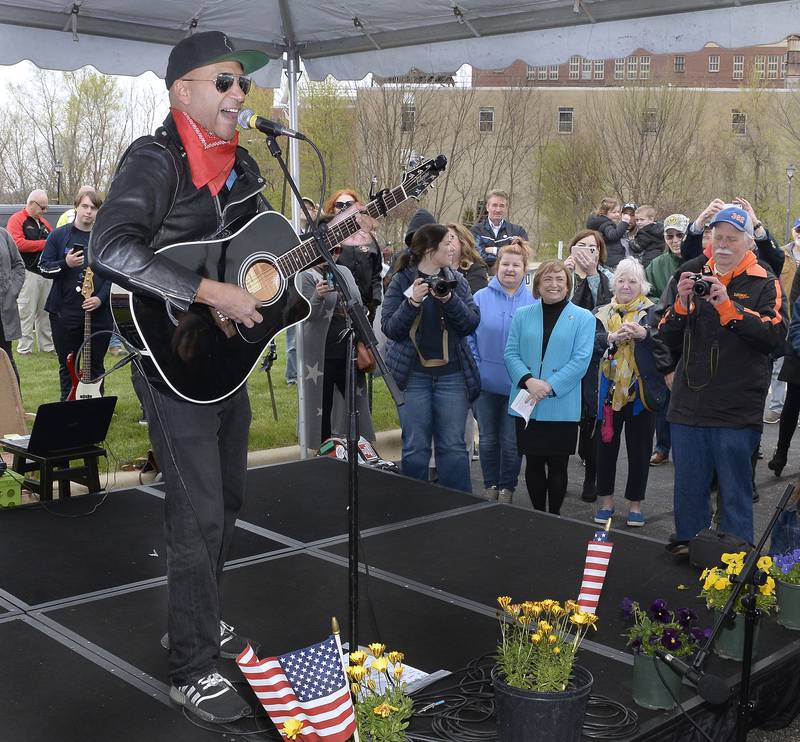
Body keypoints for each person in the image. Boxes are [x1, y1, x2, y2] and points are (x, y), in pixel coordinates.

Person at [90, 31, 271, 723]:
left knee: (226, 503)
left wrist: (302, 263)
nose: (237, 94)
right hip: (167, 359)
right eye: (223, 82)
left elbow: (255, 261)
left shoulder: (247, 167)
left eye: (243, 86)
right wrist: (209, 293)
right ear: (181, 91)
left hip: (223, 358)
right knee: (195, 515)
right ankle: (190, 666)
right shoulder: (156, 156)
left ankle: (198, 614)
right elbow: (110, 246)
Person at [658, 204, 786, 553]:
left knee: (735, 492)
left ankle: (735, 564)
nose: (725, 245)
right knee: (688, 487)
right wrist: (682, 305)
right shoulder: (693, 273)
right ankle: (689, 547)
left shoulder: (765, 280)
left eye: (732, 238)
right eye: (718, 238)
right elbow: (664, 335)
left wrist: (730, 308)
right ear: (709, 240)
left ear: (748, 243)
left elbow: (776, 338)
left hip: (735, 409)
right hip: (689, 406)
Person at [382, 223, 480, 493]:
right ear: (429, 249)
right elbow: (390, 328)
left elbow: (471, 323)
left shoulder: (457, 280)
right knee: (415, 446)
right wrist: (412, 301)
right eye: (448, 242)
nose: (454, 248)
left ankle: (459, 506)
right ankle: (413, 506)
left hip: (452, 375)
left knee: (453, 446)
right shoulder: (401, 280)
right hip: (413, 376)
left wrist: (449, 299)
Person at [504, 260, 595, 515]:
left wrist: (550, 386)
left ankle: (553, 515)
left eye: (559, 280)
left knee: (558, 465)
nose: (553, 285)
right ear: (538, 285)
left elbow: (581, 360)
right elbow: (511, 353)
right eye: (547, 279)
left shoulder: (583, 318)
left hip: (561, 404)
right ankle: (537, 514)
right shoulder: (523, 315)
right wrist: (528, 381)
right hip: (527, 401)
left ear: (568, 285)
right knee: (532, 463)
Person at [593, 258, 669, 527]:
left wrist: (644, 335)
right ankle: (606, 502)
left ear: (642, 286)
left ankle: (635, 505)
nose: (626, 286)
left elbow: (665, 348)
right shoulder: (601, 312)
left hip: (640, 396)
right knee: (605, 450)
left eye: (632, 281)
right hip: (608, 395)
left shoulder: (653, 313)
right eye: (621, 280)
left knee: (640, 452)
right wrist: (610, 339)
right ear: (614, 284)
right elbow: (590, 344)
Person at [469, 241, 535, 503]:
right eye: (505, 264)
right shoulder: (480, 298)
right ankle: (490, 486)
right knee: (487, 439)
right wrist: (476, 365)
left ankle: (507, 488)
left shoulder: (533, 302)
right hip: (485, 383)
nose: (510, 269)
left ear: (524, 269)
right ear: (497, 268)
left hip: (519, 386)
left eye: (515, 265)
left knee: (511, 442)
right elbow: (469, 337)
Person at [297, 238, 375, 449]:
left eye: (338, 249)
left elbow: (357, 304)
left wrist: (365, 339)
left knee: (355, 404)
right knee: (322, 406)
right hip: (320, 353)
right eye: (329, 249)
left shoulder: (344, 272)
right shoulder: (305, 275)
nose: (334, 253)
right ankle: (323, 452)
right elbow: (304, 316)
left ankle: (358, 449)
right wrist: (317, 297)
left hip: (348, 349)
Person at [40, 190, 111, 401]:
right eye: (85, 207)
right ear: (76, 207)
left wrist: (100, 298)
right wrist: (66, 264)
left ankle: (95, 408)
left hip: (99, 313)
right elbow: (44, 267)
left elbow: (114, 274)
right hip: (65, 312)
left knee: (96, 364)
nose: (89, 212)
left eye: (94, 208)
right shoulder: (58, 235)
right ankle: (67, 404)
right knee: (68, 363)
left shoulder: (104, 239)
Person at [563, 229, 614, 503]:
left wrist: (591, 274)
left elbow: (605, 310)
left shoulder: (607, 278)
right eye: (580, 246)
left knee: (593, 415)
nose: (585, 252)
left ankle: (591, 477)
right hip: (564, 354)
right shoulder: (562, 274)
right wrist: (570, 274)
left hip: (596, 353)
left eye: (592, 248)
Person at [644, 213, 690, 466]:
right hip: (665, 336)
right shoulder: (657, 264)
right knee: (664, 394)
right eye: (669, 236)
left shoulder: (698, 261)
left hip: (692, 337)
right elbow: (647, 295)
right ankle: (662, 446)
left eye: (679, 235)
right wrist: (663, 307)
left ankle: (686, 448)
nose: (674, 240)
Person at [324, 188, 383, 323]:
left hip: (366, 306)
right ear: (333, 209)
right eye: (339, 205)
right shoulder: (328, 240)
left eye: (349, 204)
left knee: (365, 344)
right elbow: (324, 271)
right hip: (337, 309)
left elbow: (376, 272)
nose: (344, 208)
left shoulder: (369, 238)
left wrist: (375, 300)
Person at [6, 190, 54, 355]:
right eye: (43, 207)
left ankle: (47, 346)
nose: (44, 211)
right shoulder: (17, 219)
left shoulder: (45, 223)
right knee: (26, 311)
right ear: (32, 203)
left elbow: (53, 242)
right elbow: (17, 244)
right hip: (28, 272)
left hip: (45, 272)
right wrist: (44, 244)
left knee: (45, 312)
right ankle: (24, 347)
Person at [764, 217, 800, 425]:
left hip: (797, 317)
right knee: (778, 364)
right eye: (798, 230)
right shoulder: (782, 254)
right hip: (785, 314)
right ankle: (776, 407)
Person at [471, 190, 528, 271]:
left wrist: (494, 250)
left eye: (502, 206)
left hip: (511, 277)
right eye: (494, 205)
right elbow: (477, 256)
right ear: (487, 207)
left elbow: (523, 255)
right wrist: (509, 251)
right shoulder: (476, 231)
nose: (498, 210)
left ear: (506, 208)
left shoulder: (517, 231)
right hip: (483, 277)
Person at [0, 226, 25, 386]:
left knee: (5, 359)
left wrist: (12, 290)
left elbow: (18, 264)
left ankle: (14, 408)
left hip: (3, 309)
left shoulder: (3, 234)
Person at [586, 198, 632, 270]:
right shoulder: (606, 224)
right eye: (613, 212)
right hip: (612, 260)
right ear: (604, 213)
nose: (617, 214)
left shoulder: (599, 223)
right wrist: (624, 223)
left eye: (618, 212)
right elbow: (613, 235)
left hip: (606, 258)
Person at [448, 223, 489, 294]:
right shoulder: (435, 269)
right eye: (442, 237)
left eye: (451, 237)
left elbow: (471, 300)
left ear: (463, 241)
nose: (447, 240)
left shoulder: (476, 270)